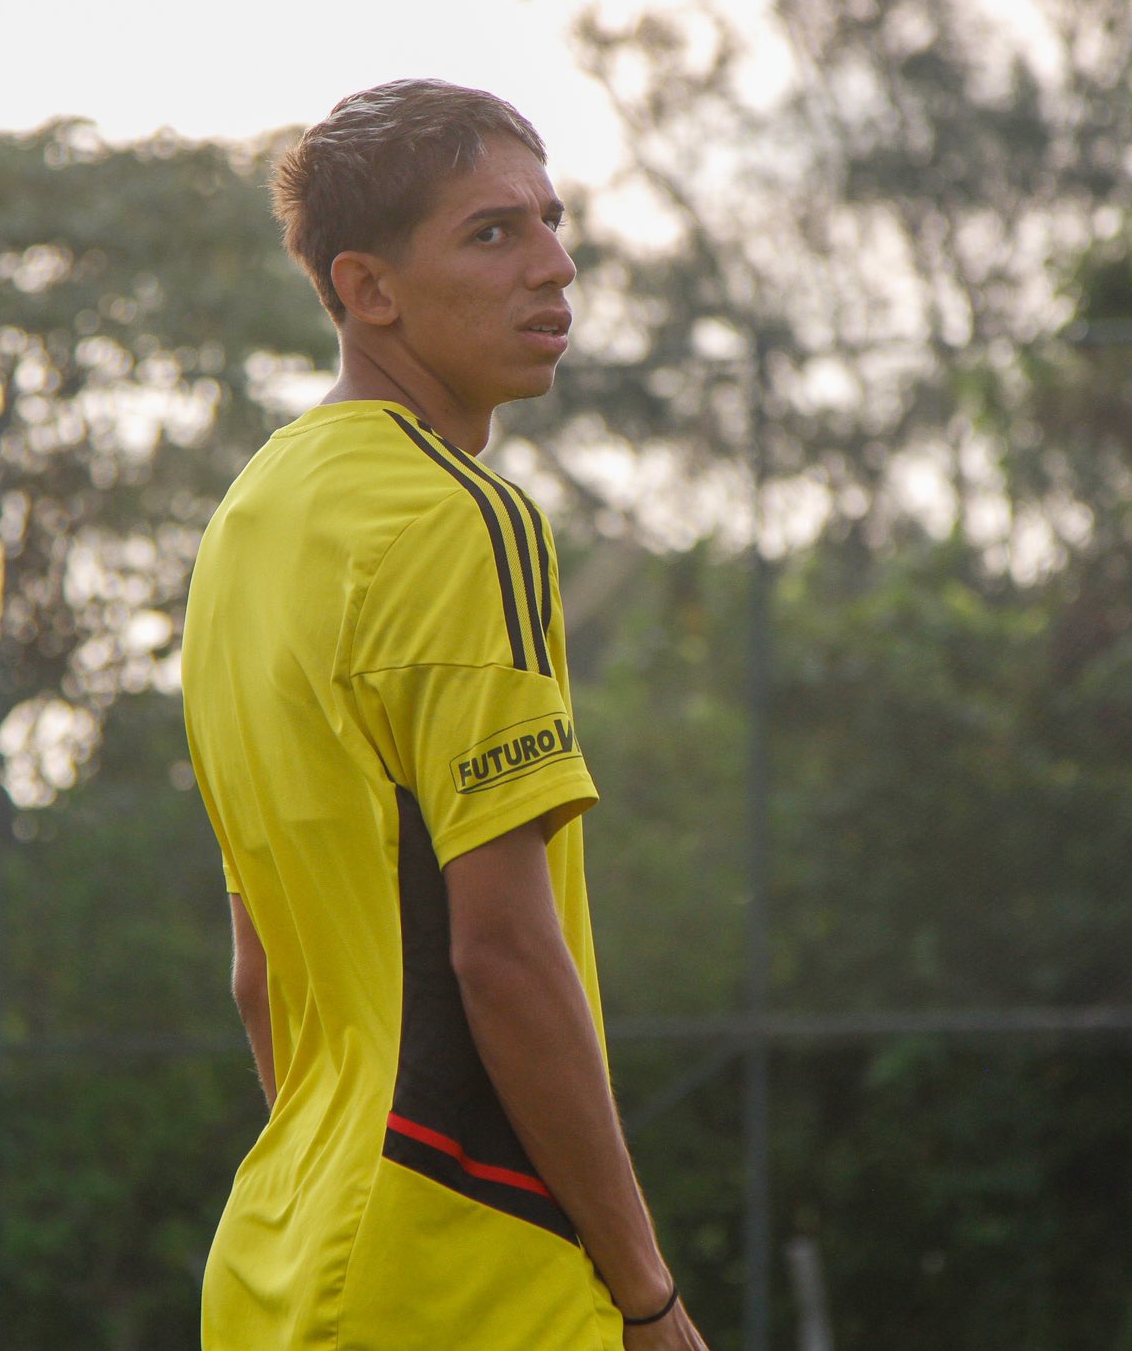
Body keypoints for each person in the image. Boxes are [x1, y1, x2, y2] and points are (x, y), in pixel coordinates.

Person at [180, 78, 711, 1351]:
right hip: (465, 1276)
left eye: (550, 218)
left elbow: (260, 974)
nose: (555, 263)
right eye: (493, 233)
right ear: (367, 290)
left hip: (279, 1271)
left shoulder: (247, 525)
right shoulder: (463, 517)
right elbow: (503, 956)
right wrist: (647, 1298)